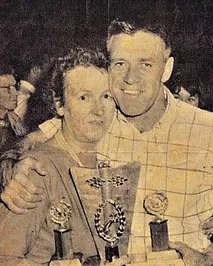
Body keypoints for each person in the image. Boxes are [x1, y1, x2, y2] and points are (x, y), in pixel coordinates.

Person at [2, 19, 213, 265]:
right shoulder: (97, 122)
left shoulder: (207, 130)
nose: (131, 78)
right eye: (120, 63)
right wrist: (12, 167)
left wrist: (206, 259)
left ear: (166, 69)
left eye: (145, 64)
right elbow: (33, 144)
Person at [0, 48, 122, 265]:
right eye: (84, 97)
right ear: (59, 104)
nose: (98, 110)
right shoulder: (37, 170)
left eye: (106, 97)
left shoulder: (106, 161)